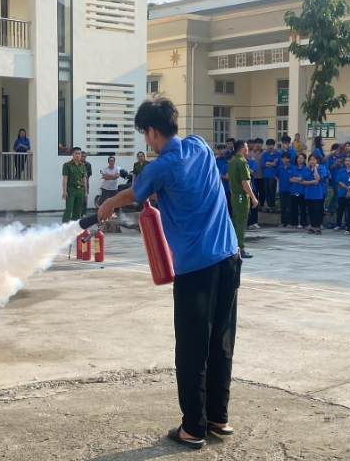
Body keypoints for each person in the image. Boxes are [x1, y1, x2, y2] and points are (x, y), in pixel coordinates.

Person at [97, 98, 242, 450]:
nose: (146, 142)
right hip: (229, 256)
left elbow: (134, 192)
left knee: (192, 348)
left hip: (196, 268)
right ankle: (218, 418)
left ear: (151, 131)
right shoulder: (199, 146)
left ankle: (193, 428)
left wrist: (107, 204)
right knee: (220, 341)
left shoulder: (162, 166)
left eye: (145, 135)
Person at [229, 140, 259, 258]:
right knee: (241, 222)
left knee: (235, 221)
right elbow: (245, 182)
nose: (248, 149)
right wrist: (253, 198)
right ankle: (240, 248)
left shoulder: (232, 162)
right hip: (241, 195)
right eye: (246, 147)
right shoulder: (242, 163)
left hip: (235, 195)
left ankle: (233, 246)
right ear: (242, 149)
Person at [61, 147, 87, 223]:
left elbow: (84, 179)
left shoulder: (82, 165)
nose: (78, 155)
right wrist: (64, 191)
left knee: (78, 211)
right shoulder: (67, 165)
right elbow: (65, 178)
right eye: (76, 153)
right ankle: (64, 226)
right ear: (72, 154)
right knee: (69, 209)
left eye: (79, 154)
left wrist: (85, 192)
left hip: (80, 190)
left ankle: (74, 226)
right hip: (71, 189)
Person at [302, 154, 324, 235]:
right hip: (308, 193)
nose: (312, 161)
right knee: (310, 210)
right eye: (310, 159)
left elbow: (318, 179)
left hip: (317, 193)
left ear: (317, 160)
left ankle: (318, 227)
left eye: (314, 159)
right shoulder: (306, 169)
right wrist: (311, 182)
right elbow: (303, 181)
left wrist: (315, 169)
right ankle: (312, 226)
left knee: (317, 210)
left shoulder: (321, 168)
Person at [333, 156, 350, 232]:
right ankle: (338, 225)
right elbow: (338, 181)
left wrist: (349, 190)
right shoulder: (341, 171)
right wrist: (346, 187)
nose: (348, 162)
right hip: (341, 193)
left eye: (349, 161)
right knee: (340, 210)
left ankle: (348, 225)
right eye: (346, 161)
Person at [275, 152, 295, 227]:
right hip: (282, 189)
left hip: (290, 190)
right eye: (284, 158)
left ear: (289, 159)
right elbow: (275, 175)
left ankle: (289, 222)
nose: (285, 160)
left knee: (290, 206)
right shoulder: (280, 167)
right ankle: (283, 222)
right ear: (281, 159)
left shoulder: (293, 167)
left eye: (287, 158)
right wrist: (278, 180)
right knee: (283, 206)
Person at [260, 139, 280, 213]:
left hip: (273, 175)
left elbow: (278, 164)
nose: (269, 146)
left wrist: (267, 163)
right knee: (267, 191)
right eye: (268, 145)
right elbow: (262, 164)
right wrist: (272, 163)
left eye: (271, 144)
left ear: (274, 145)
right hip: (265, 175)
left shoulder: (277, 154)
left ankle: (272, 206)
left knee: (272, 191)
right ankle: (268, 206)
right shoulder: (265, 154)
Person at [289, 154, 308, 229]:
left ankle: (303, 223)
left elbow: (302, 179)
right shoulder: (294, 168)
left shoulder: (306, 169)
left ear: (304, 160)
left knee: (303, 208)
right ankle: (294, 223)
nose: (299, 159)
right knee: (294, 208)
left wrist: (295, 178)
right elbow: (290, 179)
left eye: (301, 158)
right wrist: (297, 179)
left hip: (302, 191)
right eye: (298, 158)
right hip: (294, 191)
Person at [326, 143, 344, 214]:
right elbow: (330, 168)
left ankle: (334, 206)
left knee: (337, 193)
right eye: (337, 150)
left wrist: (341, 164)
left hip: (337, 177)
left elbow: (337, 167)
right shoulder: (329, 158)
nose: (338, 152)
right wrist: (337, 162)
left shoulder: (336, 157)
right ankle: (331, 207)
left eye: (338, 151)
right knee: (337, 193)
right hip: (332, 178)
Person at [249, 138, 265, 211]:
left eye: (259, 143)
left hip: (262, 176)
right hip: (253, 176)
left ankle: (261, 205)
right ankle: (254, 204)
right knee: (254, 191)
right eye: (256, 143)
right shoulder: (250, 153)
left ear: (262, 144)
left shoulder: (264, 153)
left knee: (262, 191)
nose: (257, 145)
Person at [216, 144, 232, 216]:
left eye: (222, 149)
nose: (221, 151)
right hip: (220, 184)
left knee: (231, 202)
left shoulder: (228, 160)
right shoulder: (216, 160)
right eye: (219, 149)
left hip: (231, 186)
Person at [247, 155, 260, 231]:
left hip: (252, 187)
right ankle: (248, 223)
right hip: (241, 189)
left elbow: (252, 172)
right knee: (245, 206)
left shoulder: (252, 161)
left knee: (254, 205)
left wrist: (244, 167)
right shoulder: (237, 161)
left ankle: (254, 222)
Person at [80, 151, 93, 216]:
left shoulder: (88, 164)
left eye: (84, 156)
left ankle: (84, 213)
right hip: (78, 184)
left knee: (85, 199)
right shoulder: (77, 164)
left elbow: (89, 174)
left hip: (85, 184)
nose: (83, 158)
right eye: (82, 156)